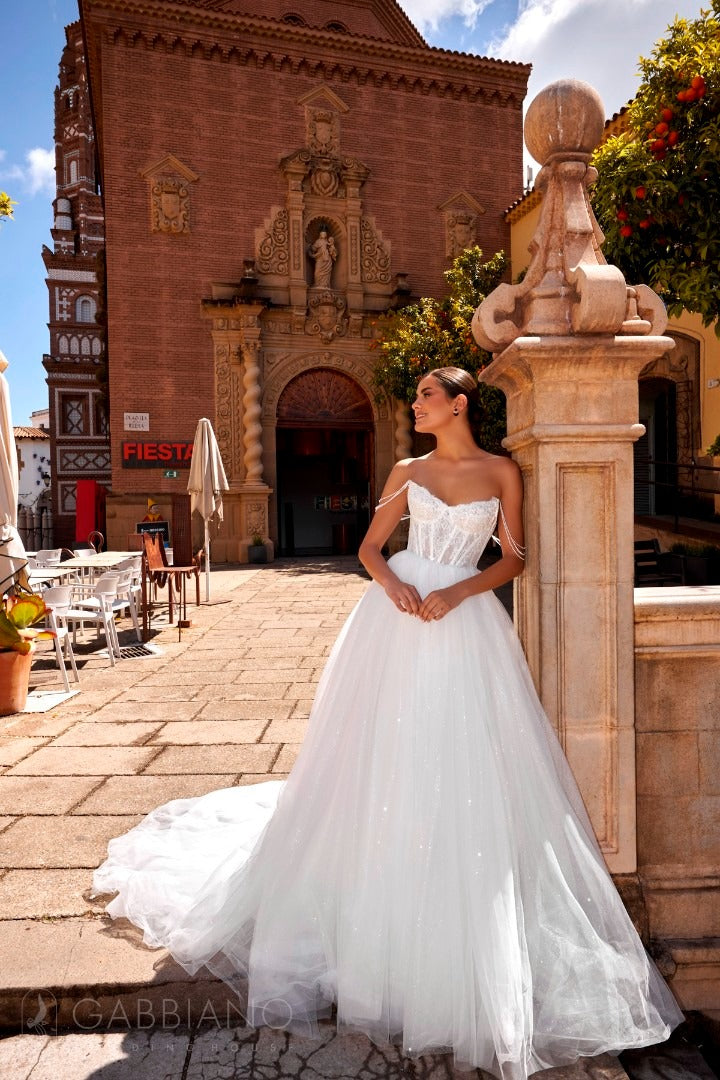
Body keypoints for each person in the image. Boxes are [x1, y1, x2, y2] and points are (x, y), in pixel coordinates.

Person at [92, 367, 683, 1079]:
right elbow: (372, 548)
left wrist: (461, 590)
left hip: (465, 626)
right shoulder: (407, 468)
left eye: (426, 395)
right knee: (380, 755)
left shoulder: (502, 472)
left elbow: (516, 559)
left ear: (459, 404)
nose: (416, 404)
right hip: (394, 621)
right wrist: (398, 584)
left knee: (463, 759)